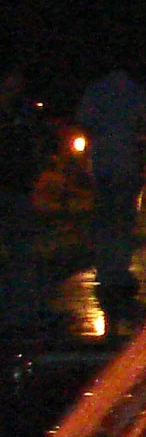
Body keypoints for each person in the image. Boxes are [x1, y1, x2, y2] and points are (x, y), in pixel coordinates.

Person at [73, 67, 146, 332]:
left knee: (105, 217)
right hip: (125, 162)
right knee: (122, 219)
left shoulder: (97, 90)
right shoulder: (134, 91)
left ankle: (106, 270)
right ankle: (118, 271)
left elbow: (83, 119)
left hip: (103, 162)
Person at [0, 70, 50, 338]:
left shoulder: (25, 113)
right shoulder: (14, 115)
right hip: (9, 186)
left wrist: (35, 170)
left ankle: (20, 310)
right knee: (16, 249)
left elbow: (37, 143)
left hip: (18, 186)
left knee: (21, 249)